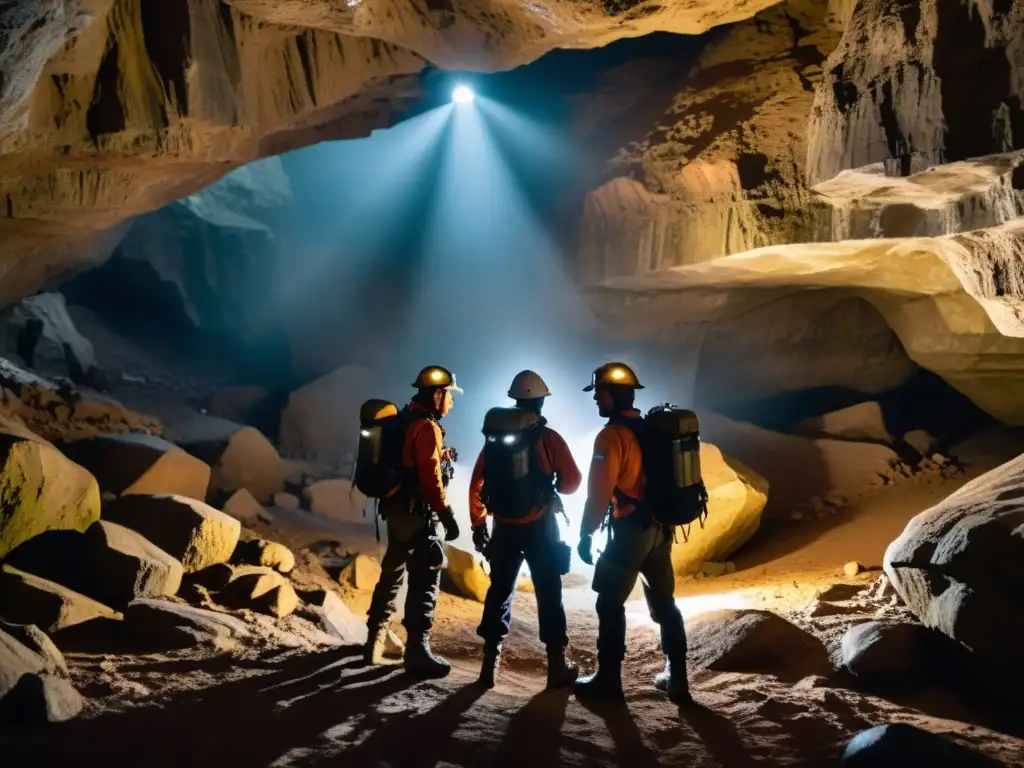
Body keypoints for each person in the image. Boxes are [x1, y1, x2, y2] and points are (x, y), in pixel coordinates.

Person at [573, 362, 691, 704]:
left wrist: (585, 533)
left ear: (614, 394)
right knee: (664, 602)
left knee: (609, 602)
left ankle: (608, 679)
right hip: (659, 529)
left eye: (599, 392)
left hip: (628, 532)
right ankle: (677, 677)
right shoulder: (648, 429)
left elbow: (598, 493)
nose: (596, 399)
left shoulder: (610, 436)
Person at [468, 370, 583, 689]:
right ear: (541, 402)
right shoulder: (548, 438)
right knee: (549, 593)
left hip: (503, 526)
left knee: (500, 592)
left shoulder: (494, 437)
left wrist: (478, 525)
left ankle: (489, 667)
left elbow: (477, 484)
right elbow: (573, 483)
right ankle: (557, 666)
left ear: (514, 399)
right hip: (540, 527)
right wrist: (553, 485)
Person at [364, 365, 463, 678]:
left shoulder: (406, 417)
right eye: (449, 396)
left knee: (392, 571)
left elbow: (410, 461)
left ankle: (373, 642)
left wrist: (441, 454)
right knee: (426, 575)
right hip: (417, 512)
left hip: (395, 510)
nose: (451, 403)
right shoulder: (426, 426)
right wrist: (445, 513)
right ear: (437, 394)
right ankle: (418, 651)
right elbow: (430, 476)